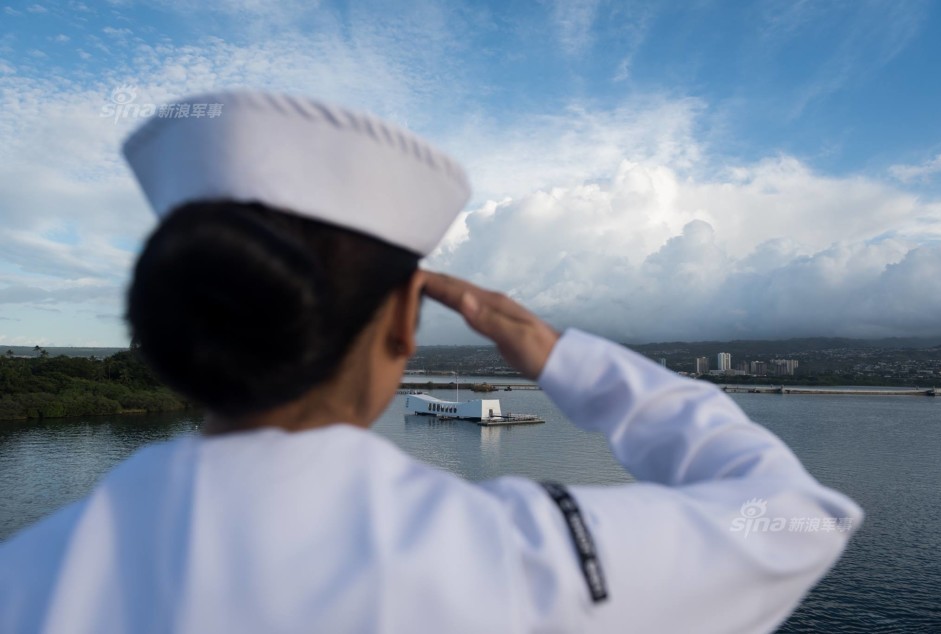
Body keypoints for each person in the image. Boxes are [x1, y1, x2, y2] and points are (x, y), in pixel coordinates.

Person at [0, 91, 862, 633]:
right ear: (404, 327)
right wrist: (559, 357)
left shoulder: (27, 577)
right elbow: (794, 519)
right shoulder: (522, 562)